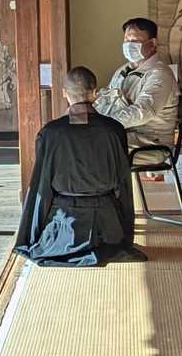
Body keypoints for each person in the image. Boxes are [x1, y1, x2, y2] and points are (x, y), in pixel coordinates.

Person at [15, 66, 145, 267]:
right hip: (107, 225)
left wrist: (32, 234)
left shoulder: (50, 133)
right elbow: (124, 185)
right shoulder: (114, 129)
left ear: (64, 93)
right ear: (95, 93)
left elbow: (41, 187)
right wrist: (126, 236)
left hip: (65, 224)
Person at [95, 17, 181, 162]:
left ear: (152, 43)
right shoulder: (122, 71)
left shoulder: (160, 74)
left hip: (151, 143)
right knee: (80, 140)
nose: (129, 45)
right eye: (126, 41)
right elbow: (107, 101)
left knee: (93, 146)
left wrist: (105, 123)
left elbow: (143, 111)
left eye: (134, 41)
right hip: (124, 135)